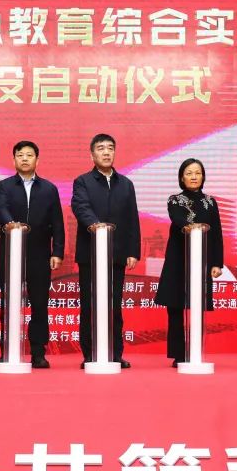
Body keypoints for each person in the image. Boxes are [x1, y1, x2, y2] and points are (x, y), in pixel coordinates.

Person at [0, 140, 65, 369]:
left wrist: (57, 251)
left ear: (37, 160)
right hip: (10, 254)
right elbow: (0, 209)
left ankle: (38, 352)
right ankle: (8, 350)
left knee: (40, 304)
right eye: (20, 155)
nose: (24, 158)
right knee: (9, 303)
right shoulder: (4, 186)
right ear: (14, 159)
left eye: (29, 155)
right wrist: (11, 224)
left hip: (40, 254)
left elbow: (57, 222)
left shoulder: (49, 189)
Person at [71, 133, 141, 369]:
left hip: (117, 254)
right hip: (90, 254)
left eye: (110, 148)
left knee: (114, 306)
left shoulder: (126, 184)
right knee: (90, 306)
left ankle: (115, 353)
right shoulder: (83, 181)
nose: (106, 152)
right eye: (101, 148)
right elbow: (80, 206)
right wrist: (95, 225)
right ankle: (90, 354)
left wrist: (133, 251)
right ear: (92, 154)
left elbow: (132, 219)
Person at [154, 159, 224, 368]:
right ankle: (179, 354)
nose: (194, 177)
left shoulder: (210, 202)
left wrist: (217, 263)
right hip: (178, 260)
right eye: (189, 173)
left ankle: (195, 350)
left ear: (203, 176)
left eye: (198, 173)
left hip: (202, 261)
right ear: (181, 177)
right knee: (175, 307)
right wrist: (190, 226)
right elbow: (177, 219)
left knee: (197, 305)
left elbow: (216, 234)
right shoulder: (175, 200)